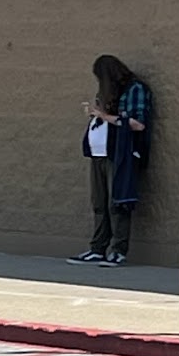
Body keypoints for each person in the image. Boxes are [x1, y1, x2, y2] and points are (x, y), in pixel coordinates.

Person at [68, 55, 153, 266]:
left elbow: (138, 124)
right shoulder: (109, 92)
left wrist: (105, 116)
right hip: (98, 154)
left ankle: (118, 250)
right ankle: (98, 248)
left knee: (118, 203)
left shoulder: (135, 90)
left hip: (119, 154)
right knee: (99, 203)